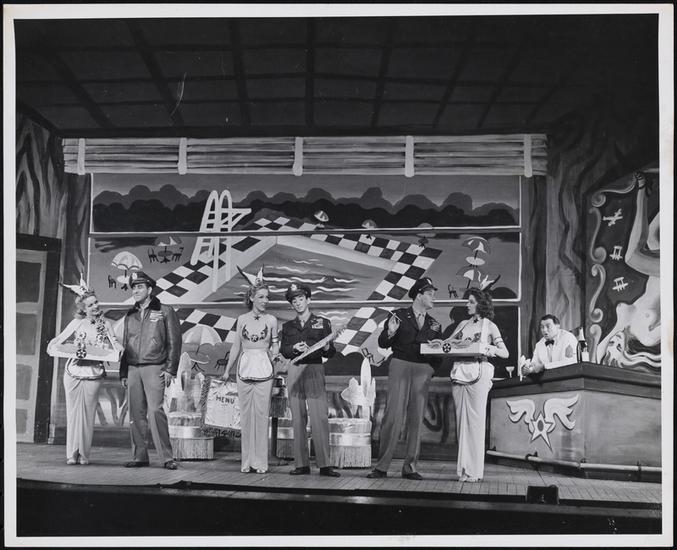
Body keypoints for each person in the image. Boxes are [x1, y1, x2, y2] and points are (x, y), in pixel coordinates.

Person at [367, 277, 442, 480]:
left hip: (422, 370)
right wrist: (390, 332)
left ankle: (410, 467)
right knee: (393, 416)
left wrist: (430, 370)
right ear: (418, 295)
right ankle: (381, 467)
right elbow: (383, 343)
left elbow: (439, 353)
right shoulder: (398, 315)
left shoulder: (435, 324)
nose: (434, 297)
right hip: (400, 365)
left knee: (416, 418)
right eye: (430, 294)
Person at [47, 282, 122, 465]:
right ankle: (72, 454)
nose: (95, 306)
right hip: (73, 372)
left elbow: (114, 343)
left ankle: (83, 454)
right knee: (73, 413)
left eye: (96, 302)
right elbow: (59, 339)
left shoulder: (105, 324)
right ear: (83, 309)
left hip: (94, 372)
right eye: (90, 305)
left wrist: (119, 348)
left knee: (88, 414)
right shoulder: (77, 323)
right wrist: (52, 345)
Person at [119, 271, 181, 470]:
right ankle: (139, 457)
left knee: (155, 411)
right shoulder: (130, 315)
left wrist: (170, 369)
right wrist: (123, 372)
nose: (136, 291)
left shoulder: (165, 311)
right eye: (133, 287)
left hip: (155, 366)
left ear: (150, 289)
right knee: (135, 414)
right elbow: (126, 344)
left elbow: (174, 341)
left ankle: (167, 457)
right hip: (133, 368)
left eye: (140, 287)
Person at [447, 287, 508, 482]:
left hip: (479, 372)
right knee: (461, 424)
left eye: (471, 302)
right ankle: (464, 470)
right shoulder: (463, 324)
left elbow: (504, 352)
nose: (467, 305)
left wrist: (487, 348)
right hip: (459, 373)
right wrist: (438, 343)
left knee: (475, 423)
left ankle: (474, 471)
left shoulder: (490, 326)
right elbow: (448, 343)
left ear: (481, 304)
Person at [279, 283, 340, 477]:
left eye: (300, 299)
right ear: (291, 304)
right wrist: (294, 349)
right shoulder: (287, 327)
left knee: (319, 417)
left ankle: (325, 465)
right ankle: (301, 464)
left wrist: (325, 346)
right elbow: (283, 350)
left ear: (308, 300)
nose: (298, 303)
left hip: (314, 369)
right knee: (297, 418)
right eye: (294, 300)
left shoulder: (323, 323)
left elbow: (331, 352)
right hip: (295, 370)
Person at [222, 275, 279, 474]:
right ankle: (246, 462)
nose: (265, 301)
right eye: (261, 297)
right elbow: (236, 346)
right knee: (245, 416)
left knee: (262, 416)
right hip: (244, 369)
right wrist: (227, 370)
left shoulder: (272, 320)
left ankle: (261, 463)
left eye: (267, 297)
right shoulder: (241, 320)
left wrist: (276, 356)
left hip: (264, 368)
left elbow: (275, 345)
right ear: (252, 298)